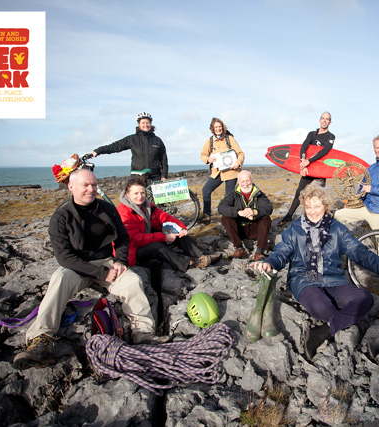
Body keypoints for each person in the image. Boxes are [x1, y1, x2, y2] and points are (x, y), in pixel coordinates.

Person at [13, 169, 167, 370]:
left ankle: (143, 333)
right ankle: (41, 340)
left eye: (94, 185)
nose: (91, 189)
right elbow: (64, 257)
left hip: (107, 262)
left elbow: (122, 237)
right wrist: (101, 274)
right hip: (77, 268)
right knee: (59, 278)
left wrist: (120, 261)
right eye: (85, 185)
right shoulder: (61, 216)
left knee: (132, 281)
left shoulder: (107, 209)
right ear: (71, 186)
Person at [254, 183, 379, 359]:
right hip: (303, 279)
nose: (312, 211)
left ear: (326, 206)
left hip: (333, 280)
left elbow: (359, 252)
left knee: (365, 299)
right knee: (322, 307)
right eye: (308, 206)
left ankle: (324, 331)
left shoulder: (337, 228)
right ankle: (341, 323)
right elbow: (281, 252)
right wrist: (270, 262)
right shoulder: (294, 229)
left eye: (317, 206)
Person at [117, 178, 222, 272]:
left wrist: (181, 228)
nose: (140, 196)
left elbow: (164, 217)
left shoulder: (147, 206)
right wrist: (163, 237)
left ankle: (202, 255)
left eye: (142, 193)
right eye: (136, 193)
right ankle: (188, 263)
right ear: (127, 194)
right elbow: (135, 239)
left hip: (145, 238)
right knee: (156, 246)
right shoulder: (123, 213)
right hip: (132, 250)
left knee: (178, 234)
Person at [278, 111, 335, 226]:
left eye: (327, 119)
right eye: (323, 118)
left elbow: (325, 151)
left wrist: (308, 161)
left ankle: (320, 218)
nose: (324, 120)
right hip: (308, 169)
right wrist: (302, 164)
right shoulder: (312, 134)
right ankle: (289, 215)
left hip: (320, 171)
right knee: (299, 193)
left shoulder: (331, 137)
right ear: (319, 120)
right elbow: (303, 147)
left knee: (319, 196)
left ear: (330, 122)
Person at [334, 135, 379, 230]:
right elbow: (362, 188)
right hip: (365, 209)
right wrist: (353, 203)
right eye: (377, 147)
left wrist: (372, 189)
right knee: (339, 215)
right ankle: (354, 240)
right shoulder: (370, 169)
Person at [91, 112, 168, 183]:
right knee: (136, 197)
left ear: (150, 124)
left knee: (154, 198)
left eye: (147, 123)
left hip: (155, 177)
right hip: (137, 177)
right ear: (139, 124)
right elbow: (115, 146)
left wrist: (164, 176)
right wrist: (98, 151)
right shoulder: (132, 139)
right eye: (143, 123)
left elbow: (164, 159)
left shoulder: (157, 141)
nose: (145, 125)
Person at [218, 170, 273, 261]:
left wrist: (255, 212)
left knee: (266, 218)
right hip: (240, 229)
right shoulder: (233, 194)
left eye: (248, 180)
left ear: (251, 180)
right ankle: (240, 248)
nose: (246, 184)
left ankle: (259, 251)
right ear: (239, 183)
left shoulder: (259, 194)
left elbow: (268, 208)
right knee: (225, 218)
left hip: (256, 229)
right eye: (243, 181)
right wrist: (238, 212)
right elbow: (221, 207)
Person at [200, 117, 245, 224]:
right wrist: (208, 159)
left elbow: (241, 154)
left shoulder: (230, 139)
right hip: (217, 172)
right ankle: (207, 215)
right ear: (212, 128)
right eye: (216, 127)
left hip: (231, 172)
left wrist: (238, 163)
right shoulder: (210, 141)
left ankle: (229, 219)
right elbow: (203, 155)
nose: (218, 129)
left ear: (223, 127)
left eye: (220, 126)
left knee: (229, 196)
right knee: (205, 190)